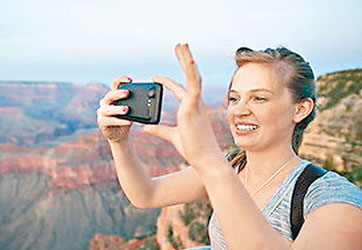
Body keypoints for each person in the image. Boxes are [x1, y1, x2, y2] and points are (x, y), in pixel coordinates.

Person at [96, 44, 362, 249]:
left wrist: (208, 161)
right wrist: (119, 141)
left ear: (300, 109)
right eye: (234, 99)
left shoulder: (335, 200)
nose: (239, 111)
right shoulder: (232, 166)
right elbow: (147, 195)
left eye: (259, 98)